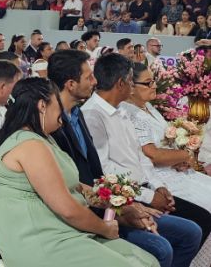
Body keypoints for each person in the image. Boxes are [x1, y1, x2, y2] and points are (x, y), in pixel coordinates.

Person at [49, 51, 203, 267]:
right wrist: (136, 203)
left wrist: (156, 188)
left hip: (122, 194)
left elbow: (139, 157)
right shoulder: (87, 115)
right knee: (163, 247)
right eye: (89, 77)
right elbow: (100, 171)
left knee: (192, 230)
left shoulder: (94, 113)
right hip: (106, 200)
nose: (95, 82)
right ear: (71, 84)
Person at [0, 77, 157, 267]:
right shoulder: (30, 145)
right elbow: (67, 209)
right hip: (40, 239)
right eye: (58, 103)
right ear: (42, 105)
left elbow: (75, 186)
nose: (62, 111)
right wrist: (104, 228)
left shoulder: (43, 139)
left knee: (148, 261)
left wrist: (120, 204)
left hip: (59, 230)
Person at [82, 54, 211, 252]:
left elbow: (140, 156)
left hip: (145, 185)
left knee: (200, 218)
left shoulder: (122, 109)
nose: (133, 87)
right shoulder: (93, 115)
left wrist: (159, 187)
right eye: (131, 81)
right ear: (120, 84)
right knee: (193, 227)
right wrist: (150, 197)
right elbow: (105, 172)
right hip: (126, 197)